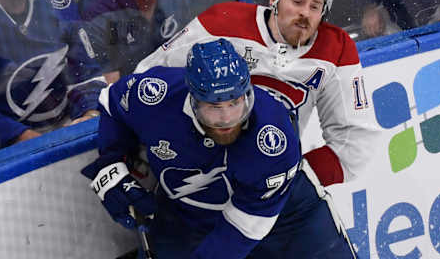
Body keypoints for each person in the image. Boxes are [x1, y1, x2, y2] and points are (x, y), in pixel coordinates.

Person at [82, 38, 356, 258]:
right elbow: (112, 103)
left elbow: (244, 228)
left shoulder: (272, 137)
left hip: (288, 219)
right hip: (191, 220)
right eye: (214, 107)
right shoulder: (157, 94)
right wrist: (111, 163)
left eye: (235, 104)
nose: (227, 119)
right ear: (193, 99)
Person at [136, 0, 381, 187]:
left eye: (315, 6)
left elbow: (356, 145)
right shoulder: (223, 21)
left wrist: (284, 181)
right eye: (296, 1)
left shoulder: (336, 50)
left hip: (268, 181)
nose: (305, 12)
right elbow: (147, 78)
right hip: (195, 171)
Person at [0, 0, 106, 150]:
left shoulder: (58, 7)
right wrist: (33, 142)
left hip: (68, 136)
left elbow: (88, 76)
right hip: (8, 161)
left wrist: (89, 115)